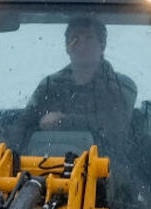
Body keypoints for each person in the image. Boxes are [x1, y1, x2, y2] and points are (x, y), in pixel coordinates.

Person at [7, 15, 138, 161]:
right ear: (67, 47)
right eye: (75, 39)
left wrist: (62, 121)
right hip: (48, 166)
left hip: (107, 166)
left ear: (102, 45)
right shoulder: (50, 86)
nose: (81, 46)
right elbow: (23, 125)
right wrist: (11, 157)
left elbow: (113, 125)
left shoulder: (122, 86)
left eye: (89, 39)